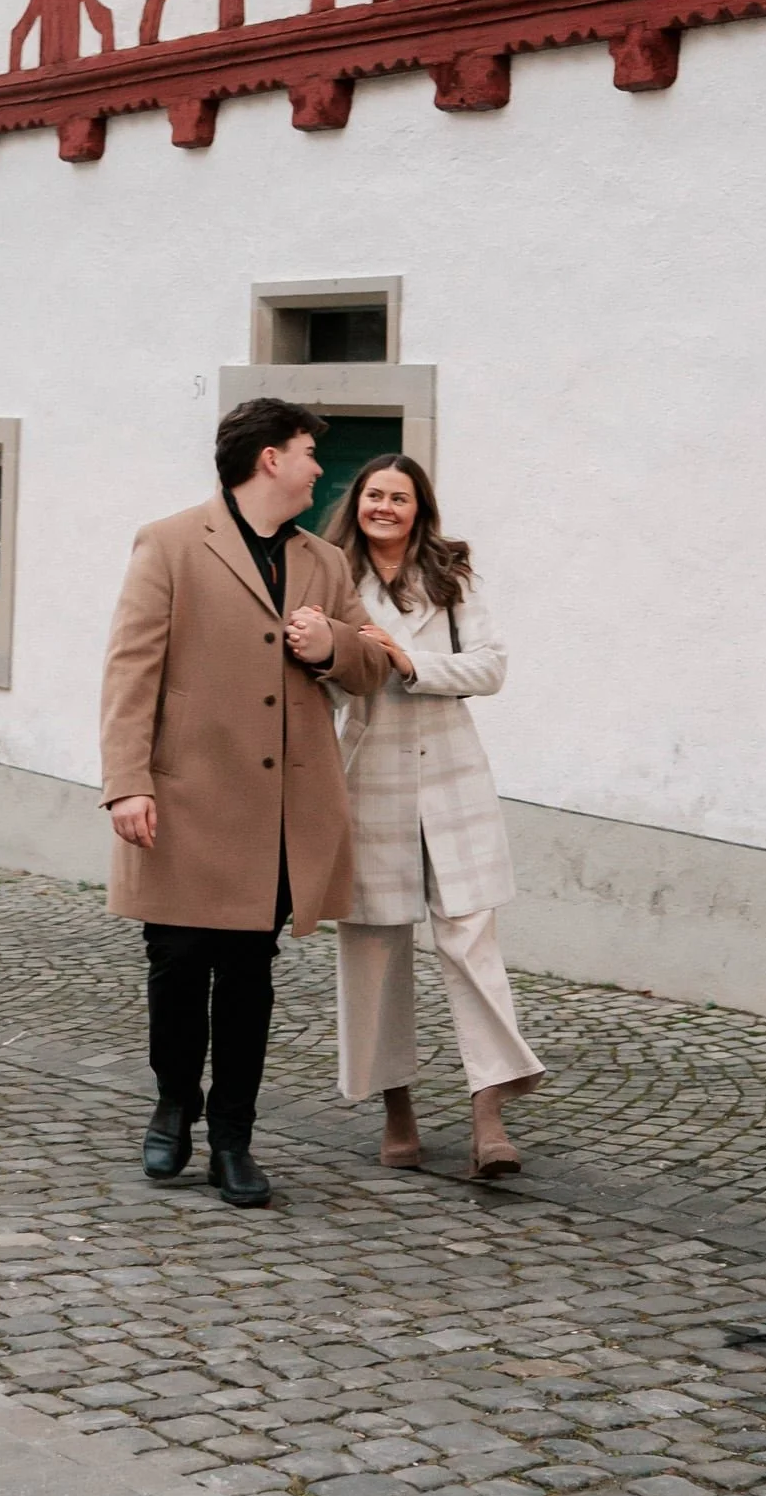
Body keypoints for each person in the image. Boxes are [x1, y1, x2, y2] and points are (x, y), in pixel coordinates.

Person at [100, 399, 391, 1207]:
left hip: (280, 812)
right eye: (306, 452)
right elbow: (130, 673)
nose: (317, 469)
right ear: (268, 458)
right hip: (186, 800)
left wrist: (331, 645)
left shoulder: (323, 562)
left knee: (248, 974)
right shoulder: (168, 543)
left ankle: (234, 1136)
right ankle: (171, 1110)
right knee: (177, 963)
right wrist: (127, 781)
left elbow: (373, 662)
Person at [325, 454, 543, 1178]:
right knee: (375, 947)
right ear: (356, 503)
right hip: (367, 782)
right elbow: (314, 679)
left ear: (421, 509)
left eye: (400, 497)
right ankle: (398, 1112)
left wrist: (410, 664)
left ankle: (488, 1115)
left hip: (452, 780)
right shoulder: (329, 576)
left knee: (471, 941)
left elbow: (491, 667)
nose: (384, 506)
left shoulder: (450, 574)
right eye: (374, 495)